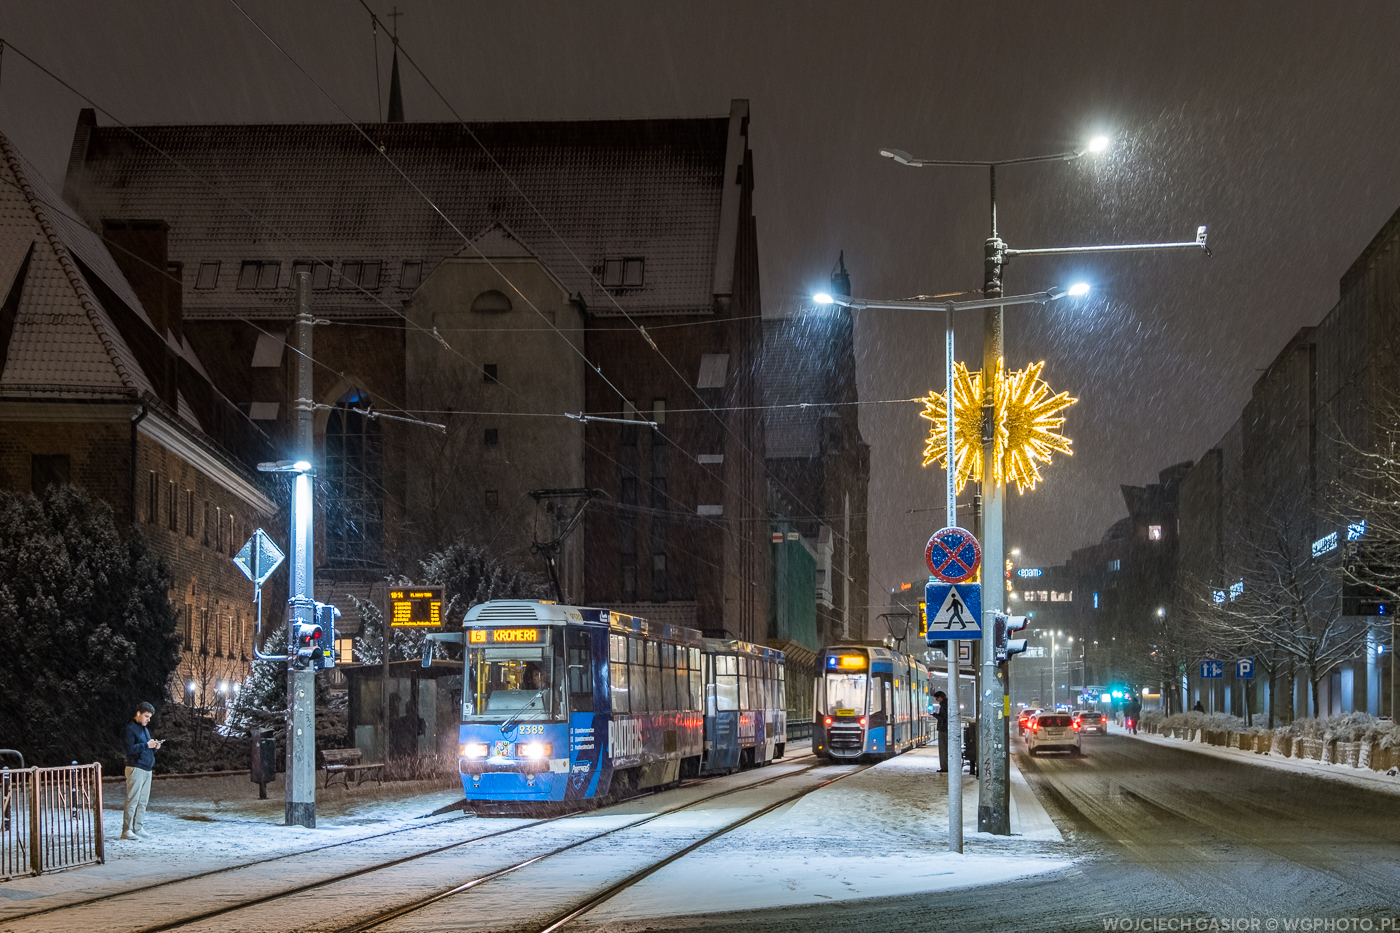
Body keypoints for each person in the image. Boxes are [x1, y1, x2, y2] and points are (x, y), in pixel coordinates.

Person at [122, 702, 161, 840]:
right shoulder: (130, 728)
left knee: (143, 801)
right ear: (138, 713)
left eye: (149, 717)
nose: (148, 719)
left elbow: (145, 747)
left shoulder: (144, 729)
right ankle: (127, 829)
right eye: (146, 716)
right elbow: (130, 749)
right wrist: (146, 745)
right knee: (133, 800)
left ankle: (137, 827)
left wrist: (154, 746)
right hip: (136, 767)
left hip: (147, 768)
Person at [933, 690, 949, 773]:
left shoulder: (944, 705)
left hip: (943, 729)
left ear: (940, 697)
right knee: (945, 749)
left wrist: (934, 714)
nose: (937, 700)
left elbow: (942, 718)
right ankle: (945, 766)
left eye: (937, 698)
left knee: (943, 749)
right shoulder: (947, 704)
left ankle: (944, 767)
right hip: (946, 729)